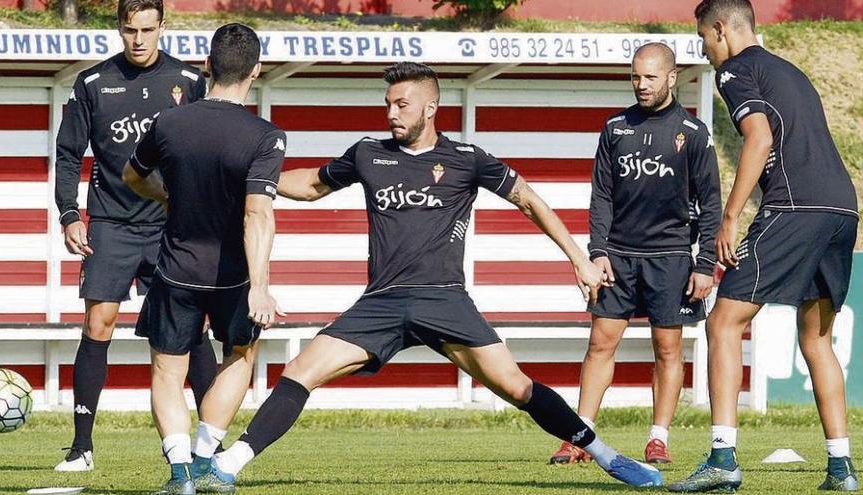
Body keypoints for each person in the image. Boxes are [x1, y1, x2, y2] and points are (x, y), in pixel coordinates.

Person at [198, 61, 664, 491]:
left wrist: (579, 259)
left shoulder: (467, 158)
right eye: (388, 105)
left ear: (431, 106)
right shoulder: (367, 154)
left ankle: (606, 456)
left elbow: (530, 201)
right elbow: (311, 185)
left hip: (444, 300)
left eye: (402, 104)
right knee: (300, 371)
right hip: (381, 302)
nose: (392, 113)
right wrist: (252, 175)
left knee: (518, 387)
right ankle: (228, 465)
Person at [669, 1, 859, 492]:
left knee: (723, 321)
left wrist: (729, 218)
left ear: (720, 29)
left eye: (702, 39)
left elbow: (758, 138)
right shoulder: (789, 71)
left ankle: (722, 457)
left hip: (796, 207)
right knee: (816, 339)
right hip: (842, 209)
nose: (705, 51)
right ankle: (841, 467)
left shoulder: (736, 70)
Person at [53, 0, 218, 472]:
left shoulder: (190, 82)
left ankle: (209, 443)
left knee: (192, 328)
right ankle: (82, 447)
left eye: (148, 29)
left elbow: (206, 150)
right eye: (130, 30)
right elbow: (68, 155)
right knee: (98, 324)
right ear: (119, 28)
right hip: (110, 224)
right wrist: (70, 214)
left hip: (172, 226)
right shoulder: (91, 82)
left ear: (162, 27)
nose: (139, 40)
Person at [123, 23, 285, 495]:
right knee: (240, 357)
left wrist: (167, 199)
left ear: (207, 65)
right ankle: (203, 461)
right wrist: (260, 286)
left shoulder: (169, 122)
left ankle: (179, 477)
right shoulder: (266, 136)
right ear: (257, 69)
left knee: (167, 372)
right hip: (234, 276)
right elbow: (258, 213)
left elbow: (133, 175)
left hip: (175, 270)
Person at [549, 43, 721, 467]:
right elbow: (601, 195)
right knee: (600, 345)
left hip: (671, 258)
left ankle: (658, 439)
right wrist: (597, 252)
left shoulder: (694, 133)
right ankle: (580, 437)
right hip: (618, 258)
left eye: (650, 77)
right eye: (635, 77)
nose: (641, 85)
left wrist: (703, 265)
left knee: (667, 349)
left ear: (671, 77)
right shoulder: (615, 128)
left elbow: (711, 204)